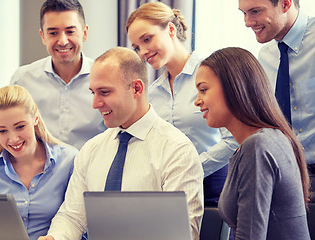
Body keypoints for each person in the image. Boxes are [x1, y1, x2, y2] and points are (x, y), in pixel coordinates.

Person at [37, 47, 204, 240]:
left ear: (136, 89)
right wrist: (54, 238)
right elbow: (73, 216)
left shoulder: (177, 150)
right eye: (93, 92)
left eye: (105, 92)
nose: (95, 103)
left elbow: (182, 235)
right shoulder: (92, 149)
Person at [125, 2, 239, 206]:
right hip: (167, 190)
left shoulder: (213, 73)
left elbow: (234, 140)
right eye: (136, 47)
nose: (142, 52)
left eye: (147, 39)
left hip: (213, 187)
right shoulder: (152, 93)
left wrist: (191, 169)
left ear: (170, 29)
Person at [194, 47, 310, 239]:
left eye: (203, 90)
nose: (197, 101)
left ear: (234, 86)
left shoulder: (257, 147)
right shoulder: (270, 138)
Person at [0, 85, 78, 240]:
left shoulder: (69, 160)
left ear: (35, 118)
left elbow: (79, 220)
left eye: (20, 127)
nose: (13, 139)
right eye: (2, 131)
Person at [238, 0, 315, 202]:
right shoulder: (266, 57)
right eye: (244, 13)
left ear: (286, 3)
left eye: (255, 11)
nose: (247, 22)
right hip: (288, 176)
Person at [10, 0, 106, 150]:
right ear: (43, 36)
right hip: (40, 173)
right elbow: (8, 133)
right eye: (53, 33)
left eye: (70, 31)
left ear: (84, 33)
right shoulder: (22, 80)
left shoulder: (107, 78)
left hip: (93, 171)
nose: (62, 41)